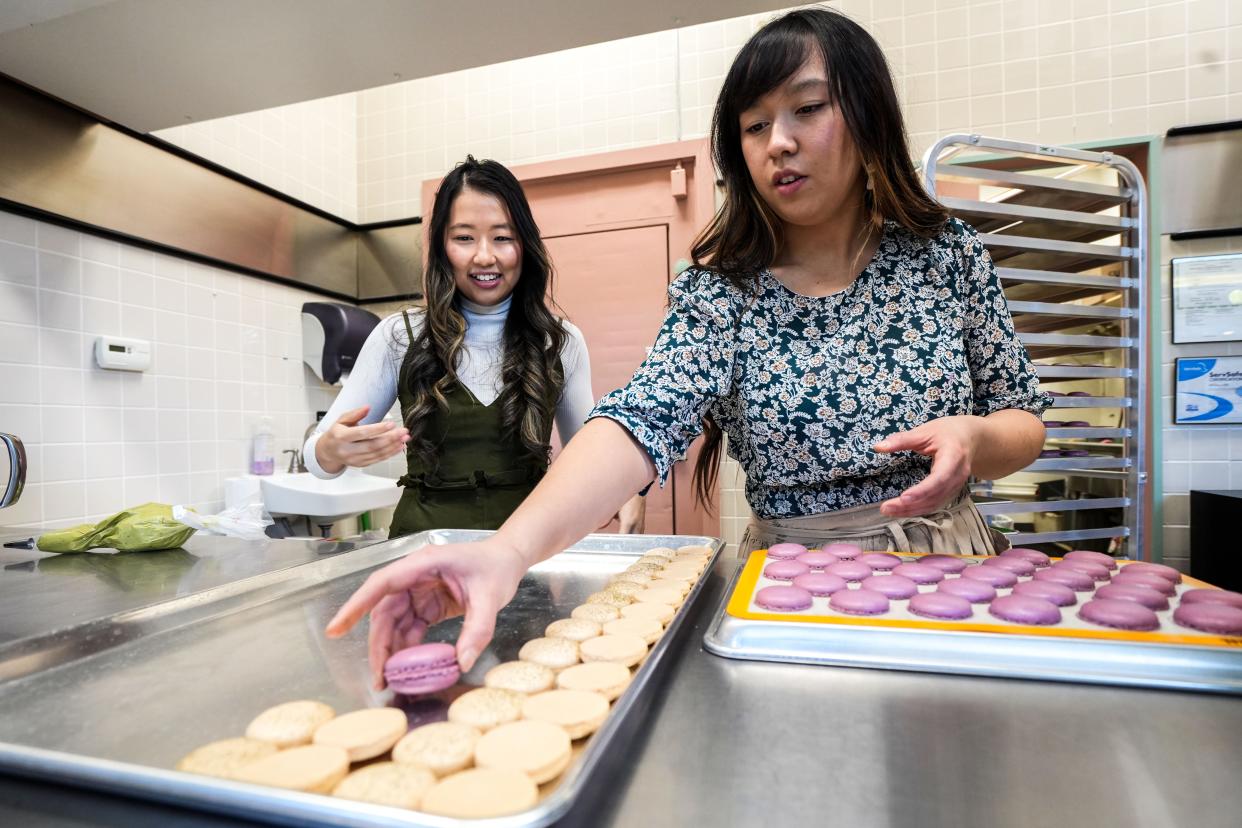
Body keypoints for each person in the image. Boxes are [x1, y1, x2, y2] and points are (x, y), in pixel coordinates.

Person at [327, 8, 1048, 681]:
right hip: (793, 588)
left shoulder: (943, 254)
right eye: (754, 125)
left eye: (806, 108)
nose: (779, 143)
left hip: (948, 572)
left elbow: (1023, 419)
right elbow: (640, 418)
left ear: (867, 113)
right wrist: (506, 552)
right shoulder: (722, 289)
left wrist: (976, 438)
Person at [304, 156, 646, 539]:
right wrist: (330, 453)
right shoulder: (397, 336)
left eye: (502, 237)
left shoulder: (560, 342)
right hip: (422, 558)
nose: (485, 256)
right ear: (441, 247)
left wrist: (623, 487)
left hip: (527, 554)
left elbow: (590, 458)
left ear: (524, 244)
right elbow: (317, 453)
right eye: (464, 238)